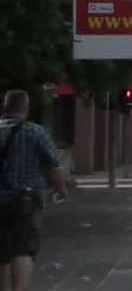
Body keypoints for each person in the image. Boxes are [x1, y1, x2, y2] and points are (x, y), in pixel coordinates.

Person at [0, 90, 69, 291]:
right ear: (26, 109)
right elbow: (52, 166)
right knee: (23, 250)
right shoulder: (35, 132)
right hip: (25, 201)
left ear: (5, 106)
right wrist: (61, 187)